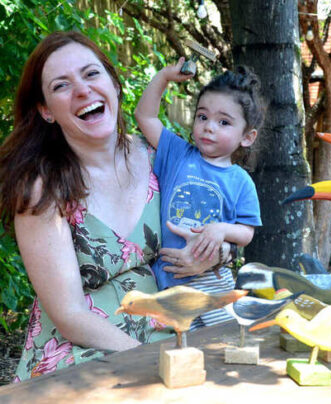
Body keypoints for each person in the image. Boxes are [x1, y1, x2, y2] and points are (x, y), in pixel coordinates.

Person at [0, 31, 213, 382]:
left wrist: (212, 251)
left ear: (114, 85)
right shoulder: (42, 189)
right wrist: (151, 359)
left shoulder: (158, 156)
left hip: (176, 333)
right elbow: (70, 316)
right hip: (85, 352)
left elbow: (211, 232)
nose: (82, 90)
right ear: (45, 111)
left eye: (91, 74)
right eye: (61, 86)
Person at [134, 60, 266, 330]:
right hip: (169, 279)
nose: (209, 127)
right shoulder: (177, 155)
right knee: (183, 349)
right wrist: (164, 77)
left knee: (224, 340)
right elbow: (145, 117)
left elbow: (246, 232)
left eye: (223, 122)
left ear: (247, 137)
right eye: (202, 117)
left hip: (212, 279)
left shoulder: (241, 181)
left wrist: (220, 230)